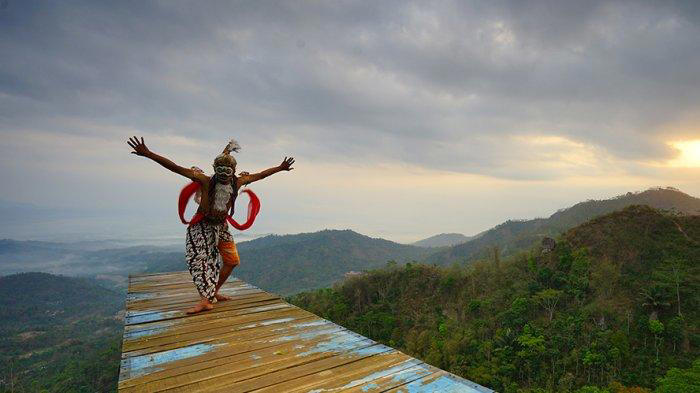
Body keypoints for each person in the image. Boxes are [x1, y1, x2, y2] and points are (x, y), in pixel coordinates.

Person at [127, 136, 294, 313]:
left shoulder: (238, 182)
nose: (223, 173)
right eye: (220, 169)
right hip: (202, 225)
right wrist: (148, 154)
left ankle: (213, 291)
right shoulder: (206, 181)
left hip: (221, 226)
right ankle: (205, 299)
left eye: (227, 169)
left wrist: (280, 168)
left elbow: (261, 175)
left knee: (231, 261)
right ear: (214, 169)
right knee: (200, 260)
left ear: (234, 170)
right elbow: (174, 167)